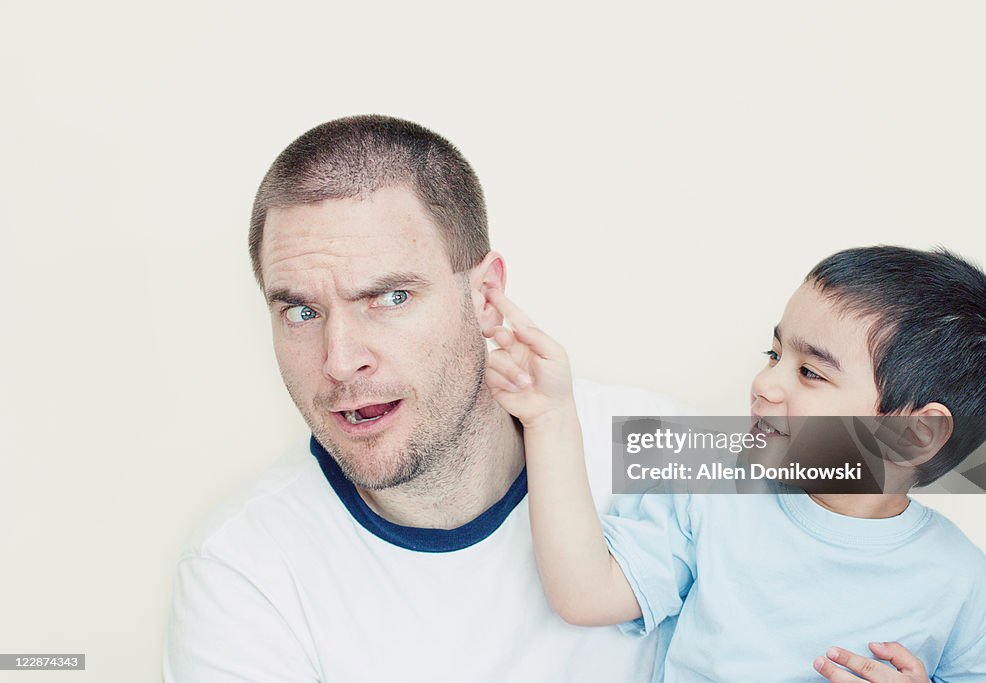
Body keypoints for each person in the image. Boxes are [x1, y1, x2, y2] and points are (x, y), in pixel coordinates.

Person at [163, 115, 683, 682]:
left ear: (485, 297)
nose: (339, 361)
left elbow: (798, 479)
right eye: (301, 312)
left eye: (389, 297)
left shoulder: (661, 439)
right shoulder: (239, 574)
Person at [483, 246, 986, 682]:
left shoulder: (966, 587)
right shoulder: (712, 488)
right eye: (774, 355)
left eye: (810, 372)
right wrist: (550, 416)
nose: (765, 384)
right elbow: (583, 593)